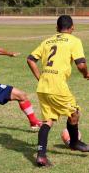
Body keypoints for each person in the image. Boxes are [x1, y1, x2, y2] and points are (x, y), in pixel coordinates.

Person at [27, 15, 89, 167]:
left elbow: (30, 59)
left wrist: (40, 77)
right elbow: (81, 65)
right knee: (74, 112)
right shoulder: (74, 41)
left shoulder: (47, 41)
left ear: (57, 28)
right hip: (57, 86)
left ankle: (41, 156)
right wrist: (86, 74)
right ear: (72, 27)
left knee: (48, 120)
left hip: (43, 86)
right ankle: (74, 142)